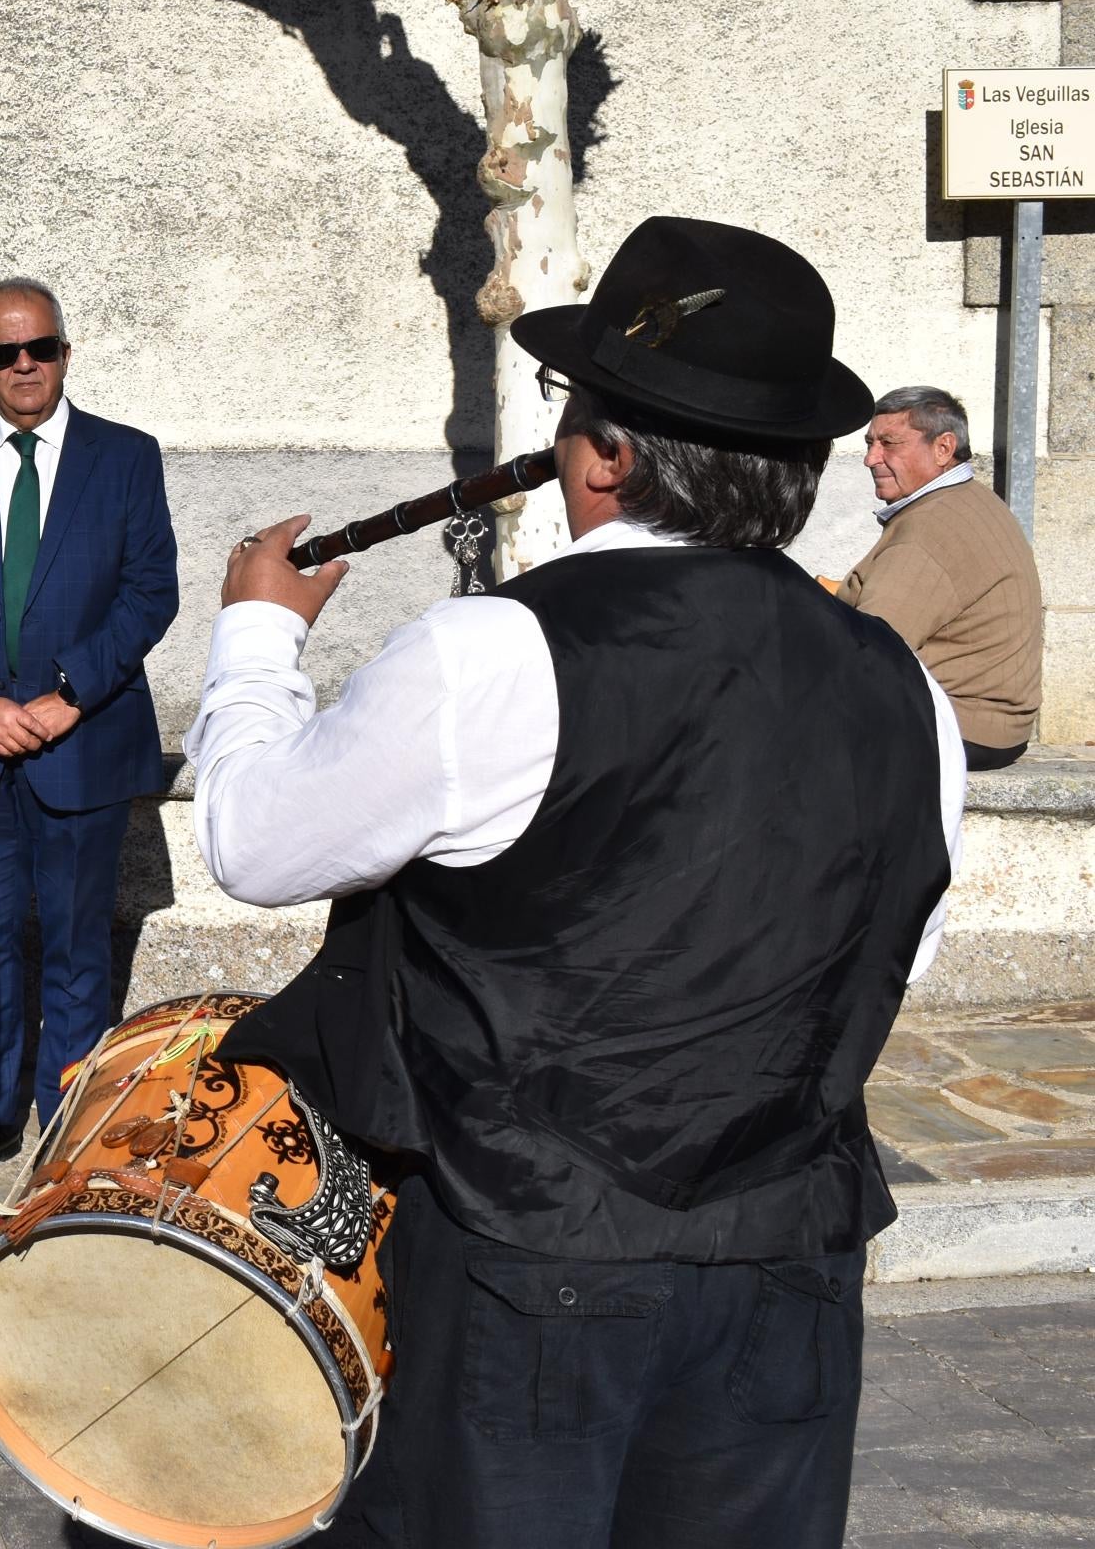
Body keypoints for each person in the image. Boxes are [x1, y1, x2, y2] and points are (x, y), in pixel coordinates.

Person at [188, 217, 962, 1549]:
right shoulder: (907, 689)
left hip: (529, 1262)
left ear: (602, 455)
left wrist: (258, 636)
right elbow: (903, 950)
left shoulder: (493, 652)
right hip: (788, 1269)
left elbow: (256, 842)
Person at [0, 278, 177, 1194]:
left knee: (75, 944)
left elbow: (149, 593)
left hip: (80, 744)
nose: (24, 367)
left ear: (65, 350)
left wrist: (68, 698)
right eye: (3, 353)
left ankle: (70, 1131)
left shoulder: (125, 458)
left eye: (40, 348)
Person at [834, 384, 1041, 769]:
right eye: (869, 443)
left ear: (943, 449)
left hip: (960, 726)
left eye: (889, 443)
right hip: (987, 725)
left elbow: (867, 648)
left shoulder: (931, 527)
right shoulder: (964, 499)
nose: (870, 459)